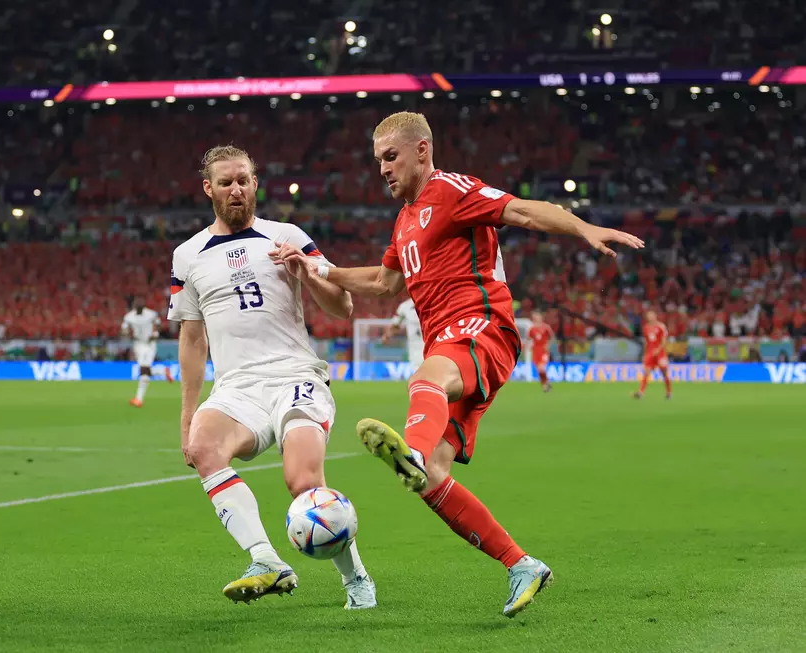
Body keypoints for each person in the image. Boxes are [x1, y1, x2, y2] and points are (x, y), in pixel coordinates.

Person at [273, 111, 643, 618]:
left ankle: (413, 452)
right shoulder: (404, 219)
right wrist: (319, 268)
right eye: (377, 159)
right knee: (434, 479)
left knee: (425, 381)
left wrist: (581, 226)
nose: (382, 168)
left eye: (391, 156)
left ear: (422, 150)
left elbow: (525, 213)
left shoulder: (452, 190)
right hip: (450, 343)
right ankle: (521, 565)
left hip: (481, 325)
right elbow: (384, 285)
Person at [169, 145, 376, 609]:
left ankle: (356, 579)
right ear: (209, 189)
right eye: (226, 182)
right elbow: (192, 339)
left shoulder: (287, 237)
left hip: (295, 377)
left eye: (243, 179)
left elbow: (342, 308)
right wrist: (187, 414)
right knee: (205, 447)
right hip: (237, 388)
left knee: (303, 481)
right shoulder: (188, 257)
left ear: (255, 182)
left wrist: (306, 272)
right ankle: (266, 560)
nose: (236, 189)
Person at [121, 297, 170, 408]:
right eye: (137, 303)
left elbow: (158, 325)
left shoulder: (151, 314)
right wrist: (126, 333)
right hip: (138, 344)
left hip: (149, 344)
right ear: (134, 305)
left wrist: (155, 334)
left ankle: (138, 399)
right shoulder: (129, 317)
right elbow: (124, 329)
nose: (139, 304)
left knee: (143, 369)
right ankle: (161, 371)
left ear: (143, 305)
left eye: (140, 303)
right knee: (145, 369)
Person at [635, 310, 672, 400]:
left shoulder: (661, 326)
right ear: (647, 317)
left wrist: (658, 350)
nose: (651, 317)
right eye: (649, 316)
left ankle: (668, 392)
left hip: (660, 354)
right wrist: (645, 354)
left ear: (655, 316)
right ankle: (641, 392)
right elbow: (646, 342)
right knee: (646, 372)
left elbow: (664, 341)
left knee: (664, 373)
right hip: (650, 353)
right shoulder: (646, 328)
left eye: (652, 315)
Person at [381, 297, 424, 370]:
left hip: (431, 343)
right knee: (418, 371)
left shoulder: (431, 302)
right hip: (414, 346)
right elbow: (395, 324)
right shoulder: (404, 306)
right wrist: (387, 336)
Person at [527, 311, 554, 392]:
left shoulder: (546, 327)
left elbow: (552, 337)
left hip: (543, 350)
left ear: (541, 317)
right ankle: (545, 384)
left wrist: (548, 345)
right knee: (539, 370)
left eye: (537, 316)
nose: (535, 318)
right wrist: (528, 345)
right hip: (535, 351)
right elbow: (529, 338)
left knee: (541, 368)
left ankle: (546, 383)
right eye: (534, 317)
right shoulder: (532, 329)